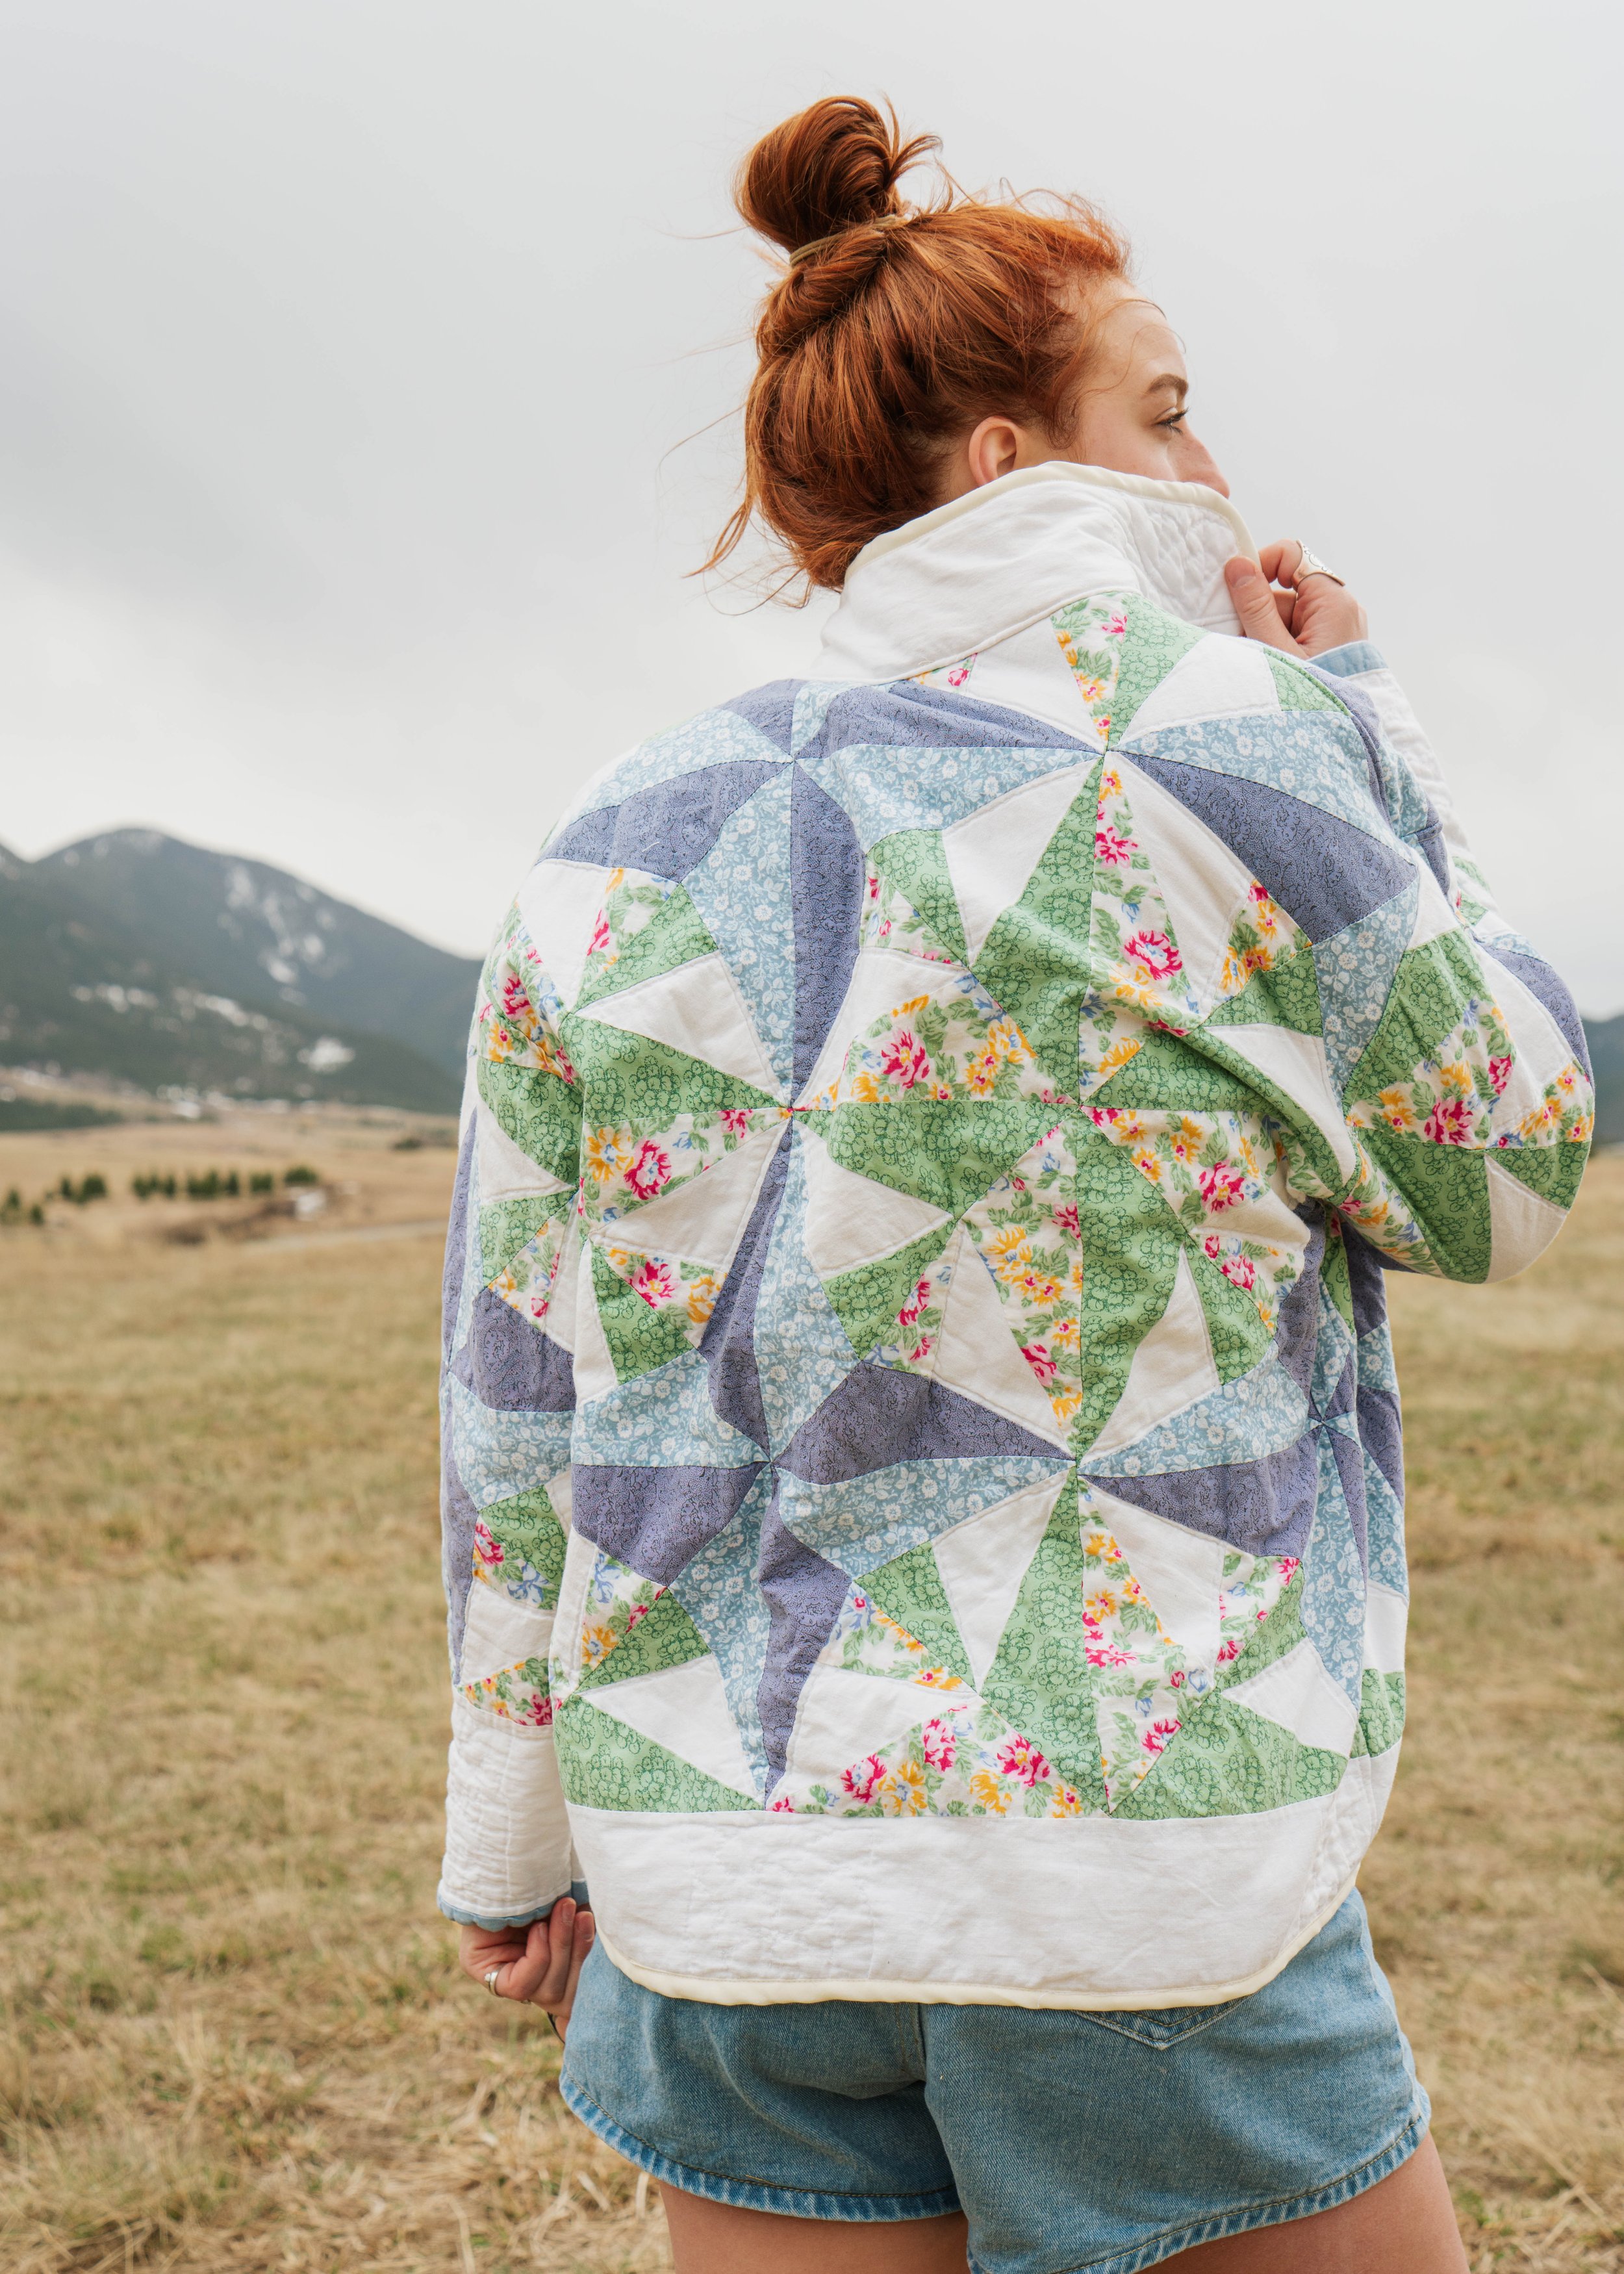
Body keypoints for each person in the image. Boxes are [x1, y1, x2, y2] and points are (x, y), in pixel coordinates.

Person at [437, 97, 1593, 2274]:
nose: (1211, 481)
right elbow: (1503, 1163)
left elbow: (518, 1389)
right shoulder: (1232, 739)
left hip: (730, 1887)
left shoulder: (612, 833)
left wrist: (512, 1838)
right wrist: (1366, 716)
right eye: (1165, 419)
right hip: (1130, 1863)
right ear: (1005, 466)